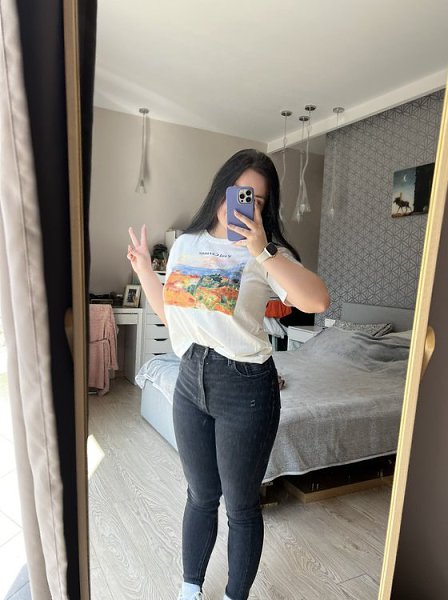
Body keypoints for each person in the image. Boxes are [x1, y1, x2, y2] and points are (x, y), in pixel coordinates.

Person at [127, 149, 330, 600]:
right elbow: (172, 314)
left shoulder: (266, 253)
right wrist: (143, 270)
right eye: (239, 192)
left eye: (256, 199)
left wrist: (263, 250)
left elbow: (317, 301)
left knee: (240, 506)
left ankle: (234, 596)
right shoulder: (186, 244)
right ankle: (190, 589)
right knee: (200, 494)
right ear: (221, 190)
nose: (243, 204)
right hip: (189, 379)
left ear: (265, 208)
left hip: (246, 388)